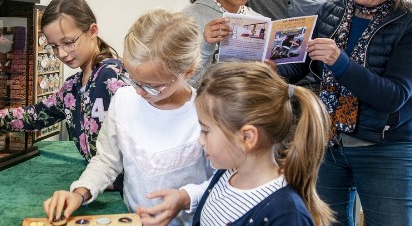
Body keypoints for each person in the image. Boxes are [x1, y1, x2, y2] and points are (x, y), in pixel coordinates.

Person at [278, 0, 412, 225]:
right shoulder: (330, 11)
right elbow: (306, 66)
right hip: (329, 142)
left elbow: (393, 96)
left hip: (387, 148)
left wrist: (341, 62)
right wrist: (278, 68)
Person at [43, 9, 211, 226]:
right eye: (133, 79)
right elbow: (106, 161)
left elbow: (223, 181)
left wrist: (187, 198)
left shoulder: (205, 113)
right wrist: (79, 192)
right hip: (132, 219)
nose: (139, 91)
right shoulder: (124, 99)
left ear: (188, 72)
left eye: (152, 87)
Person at [137, 62, 333, 226]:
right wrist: (184, 198)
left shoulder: (287, 214)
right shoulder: (226, 175)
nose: (200, 140)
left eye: (205, 131)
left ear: (247, 138)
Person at [0, 0, 127, 164]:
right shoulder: (72, 88)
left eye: (69, 42)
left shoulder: (113, 75)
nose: (62, 53)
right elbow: (37, 115)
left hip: (124, 186)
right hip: (99, 182)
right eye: (54, 46)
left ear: (92, 31)